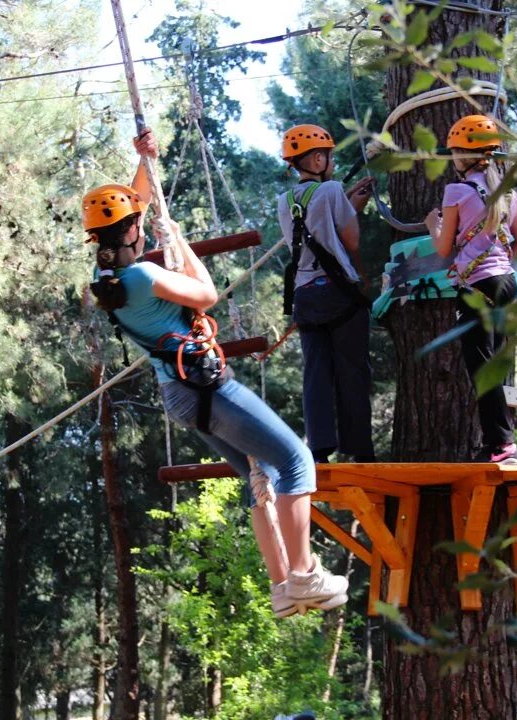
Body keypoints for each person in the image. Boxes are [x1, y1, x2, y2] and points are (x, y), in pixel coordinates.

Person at [84, 129, 348, 618]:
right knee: (294, 461)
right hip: (205, 388)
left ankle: (282, 590)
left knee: (260, 477)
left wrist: (144, 161)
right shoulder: (141, 275)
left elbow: (135, 204)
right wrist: (180, 242)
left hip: (181, 397)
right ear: (132, 234)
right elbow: (205, 294)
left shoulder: (109, 283)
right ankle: (305, 574)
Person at [424, 114, 517, 465]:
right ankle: (499, 443)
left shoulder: (456, 191)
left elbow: (443, 248)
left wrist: (432, 225)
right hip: (505, 284)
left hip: (477, 287)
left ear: (467, 156)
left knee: (481, 368)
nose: (453, 158)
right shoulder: (509, 194)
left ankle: (503, 446)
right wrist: (498, 260)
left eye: (455, 152)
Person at [277, 124, 376, 465]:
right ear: (318, 159)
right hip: (337, 293)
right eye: (329, 156)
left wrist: (346, 203)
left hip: (305, 296)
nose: (332, 162)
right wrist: (353, 207)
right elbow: (350, 241)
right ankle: (360, 448)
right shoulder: (332, 190)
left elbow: (312, 230)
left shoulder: (284, 201)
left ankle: (319, 447)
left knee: (316, 373)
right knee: (352, 371)